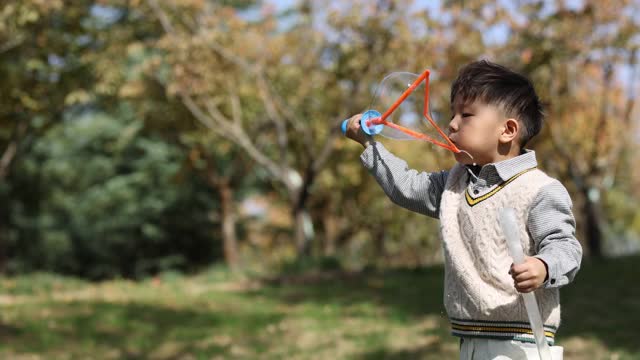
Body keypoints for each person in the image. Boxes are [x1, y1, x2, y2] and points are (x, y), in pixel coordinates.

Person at [343, 60, 582, 360]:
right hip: (470, 340)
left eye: (466, 115)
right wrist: (369, 144)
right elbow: (405, 186)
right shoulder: (454, 184)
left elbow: (565, 247)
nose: (452, 124)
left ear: (508, 130)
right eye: (452, 114)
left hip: (522, 346)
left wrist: (543, 267)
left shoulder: (538, 189)